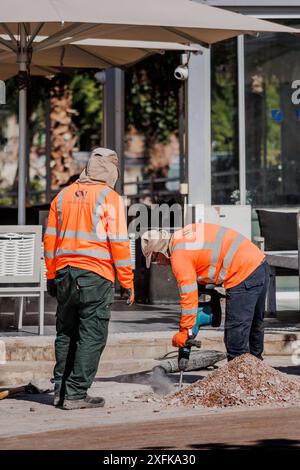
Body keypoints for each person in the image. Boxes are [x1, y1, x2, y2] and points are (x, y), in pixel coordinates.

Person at [44, 148, 134, 410]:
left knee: (66, 332)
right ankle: (75, 394)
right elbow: (118, 242)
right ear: (112, 172)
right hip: (95, 274)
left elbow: (49, 241)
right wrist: (126, 281)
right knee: (92, 334)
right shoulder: (109, 197)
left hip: (64, 273)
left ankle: (60, 390)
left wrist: (51, 275)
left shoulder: (62, 196)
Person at [141, 223, 269, 361]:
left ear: (161, 251)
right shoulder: (183, 235)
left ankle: (239, 377)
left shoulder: (179, 257)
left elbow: (188, 299)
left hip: (242, 272)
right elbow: (205, 257)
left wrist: (185, 331)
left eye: (154, 259)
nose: (158, 264)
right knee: (255, 325)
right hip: (259, 263)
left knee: (236, 338)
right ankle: (257, 370)